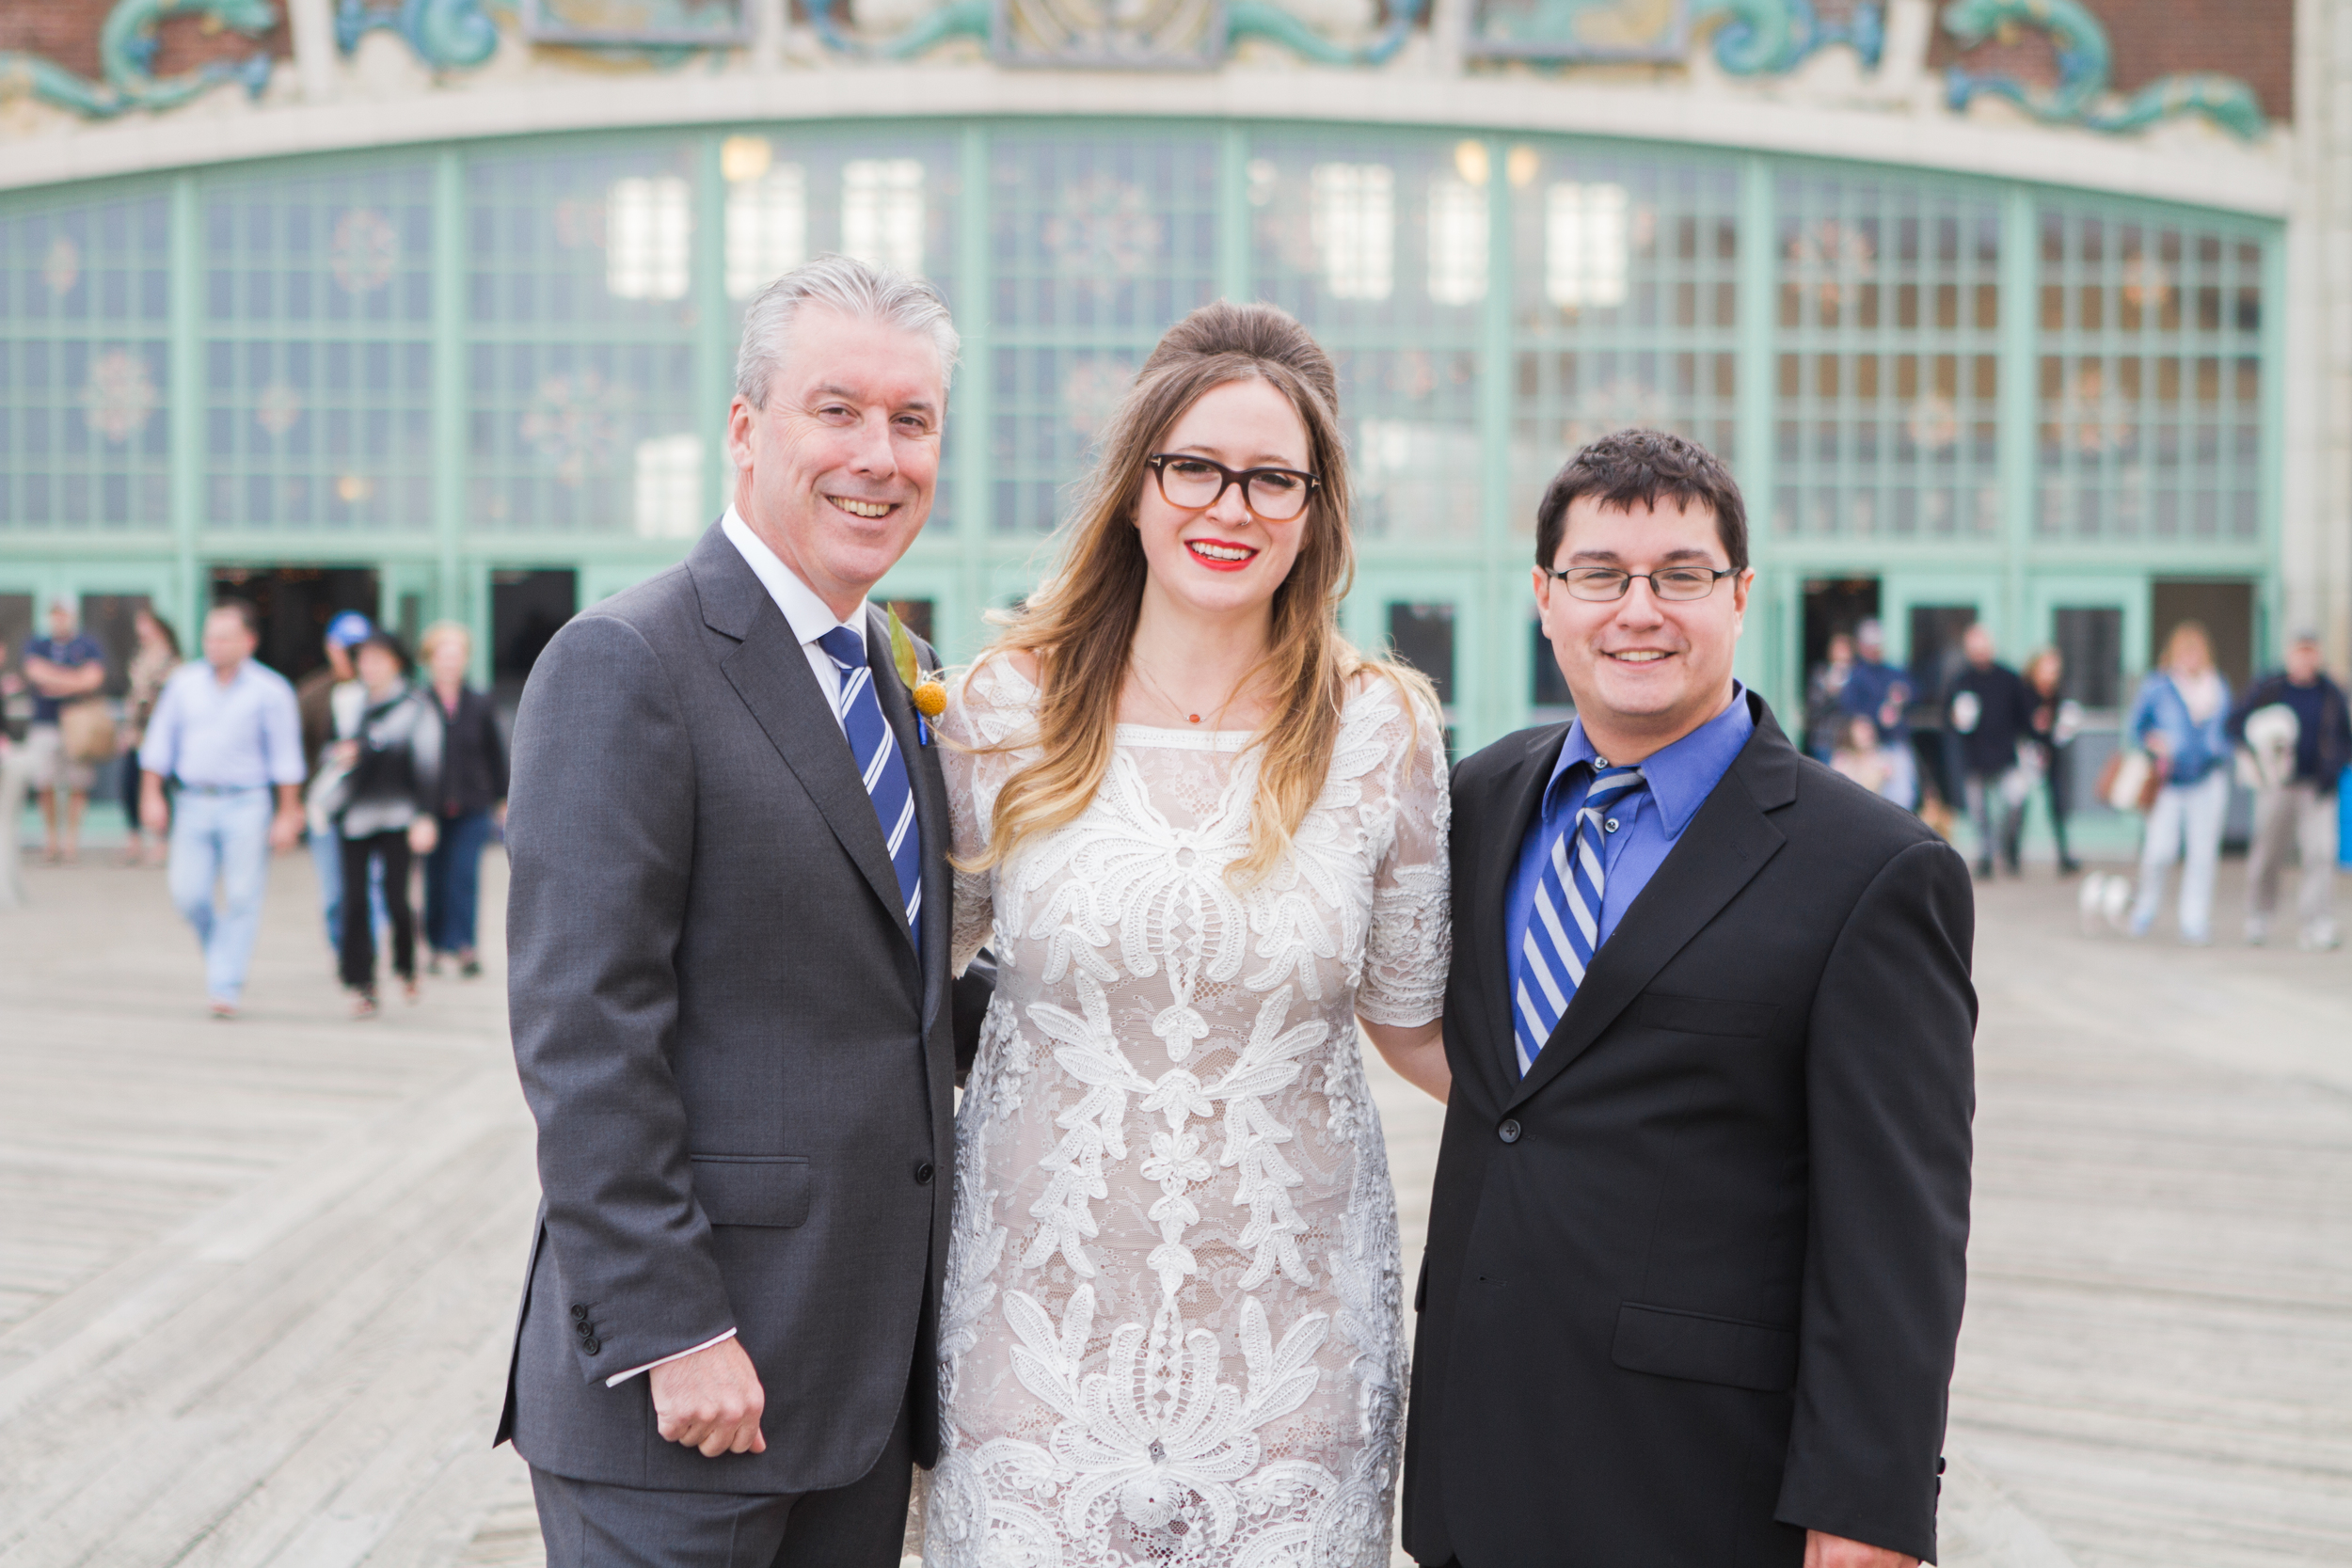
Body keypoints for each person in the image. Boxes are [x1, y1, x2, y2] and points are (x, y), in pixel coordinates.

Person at [927, 301, 1451, 1565]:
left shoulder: (1382, 730)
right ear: (1137, 486)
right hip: (1030, 1329)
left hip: (1293, 1342)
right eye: (1197, 467)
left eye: (1275, 477)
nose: (1234, 505)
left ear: (1317, 508)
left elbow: (1416, 1024)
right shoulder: (1004, 709)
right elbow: (890, 985)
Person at [1403, 429, 1975, 1568]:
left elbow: (1898, 1229)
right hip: (1477, 1462)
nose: (1638, 610)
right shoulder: (1474, 801)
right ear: (1544, 598)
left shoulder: (1869, 868)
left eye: (1680, 574)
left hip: (1700, 1486)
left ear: (1739, 594)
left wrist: (1866, 1503)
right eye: (1600, 574)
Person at [498, 255, 983, 1568]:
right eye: (838, 410)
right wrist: (672, 1326)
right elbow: (584, 1026)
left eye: (912, 420)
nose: (877, 457)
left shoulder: (908, 672)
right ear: (746, 428)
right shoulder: (628, 660)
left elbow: (894, 990)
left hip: (860, 1377)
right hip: (689, 1387)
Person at [137, 601, 306, 1019]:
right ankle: (222, 956)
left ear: (249, 641)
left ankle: (224, 984)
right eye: (209, 636)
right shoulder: (183, 684)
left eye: (224, 637)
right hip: (192, 801)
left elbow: (286, 758)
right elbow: (159, 744)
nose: (213, 645)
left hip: (246, 802)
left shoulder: (272, 691)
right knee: (188, 894)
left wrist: (288, 814)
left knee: (243, 895)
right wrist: (151, 794)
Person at [330, 632, 441, 1018]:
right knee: (354, 901)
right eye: (363, 659)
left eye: (379, 659)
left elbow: (429, 763)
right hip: (353, 814)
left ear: (396, 662)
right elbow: (327, 749)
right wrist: (339, 756)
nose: (370, 667)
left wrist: (426, 815)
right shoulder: (348, 702)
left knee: (397, 899)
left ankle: (407, 965)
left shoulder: (415, 706)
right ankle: (361, 983)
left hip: (398, 814)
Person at [2231, 630, 2348, 950]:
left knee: (2320, 854)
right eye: (2300, 651)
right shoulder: (2270, 688)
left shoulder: (2331, 692)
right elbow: (2236, 723)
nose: (2306, 658)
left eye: (2311, 651)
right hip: (2276, 786)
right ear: (2290, 653)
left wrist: (2333, 767)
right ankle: (2259, 914)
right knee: (2268, 852)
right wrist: (2258, 752)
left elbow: (2343, 737)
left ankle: (2316, 921)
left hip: (2317, 787)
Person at [2126, 620, 2233, 946]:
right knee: (2159, 851)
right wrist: (2153, 743)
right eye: (2183, 651)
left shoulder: (2218, 688)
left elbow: (2230, 732)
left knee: (2202, 855)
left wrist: (2220, 750)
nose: (2189, 658)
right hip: (2169, 781)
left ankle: (2194, 919)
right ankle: (2145, 907)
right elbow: (2136, 728)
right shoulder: (2158, 687)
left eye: (2194, 651)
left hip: (2208, 779)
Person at [418, 622, 507, 978]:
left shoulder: (480, 702)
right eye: (443, 653)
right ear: (430, 659)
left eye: (457, 654)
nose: (450, 661)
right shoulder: (418, 702)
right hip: (430, 808)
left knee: (464, 875)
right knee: (434, 878)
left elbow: (495, 754)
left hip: (472, 803)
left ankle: (465, 947)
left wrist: (502, 798)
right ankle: (438, 946)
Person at [300, 611, 380, 951]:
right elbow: (299, 754)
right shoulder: (312, 696)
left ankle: (367, 954)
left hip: (371, 805)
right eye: (347, 648)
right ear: (331, 649)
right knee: (334, 891)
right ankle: (344, 950)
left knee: (372, 886)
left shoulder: (382, 692)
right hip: (327, 808)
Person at [1946, 623, 2037, 878]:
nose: (1980, 653)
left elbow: (2024, 716)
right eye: (1974, 649)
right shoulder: (1962, 681)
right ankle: (1986, 856)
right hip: (1975, 758)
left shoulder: (2009, 678)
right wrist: (1955, 718)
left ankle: (2010, 849)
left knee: (2016, 803)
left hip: (2006, 756)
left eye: (1983, 647)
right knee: (1979, 814)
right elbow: (1950, 719)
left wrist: (2030, 741)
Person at [22, 598, 109, 863]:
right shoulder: (38, 643)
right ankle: (51, 840)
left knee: (77, 783)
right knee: (44, 782)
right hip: (45, 723)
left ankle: (71, 841)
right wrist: (75, 680)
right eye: (55, 615)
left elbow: (93, 679)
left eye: (64, 614)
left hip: (78, 724)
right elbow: (36, 673)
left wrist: (58, 683)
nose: (60, 620)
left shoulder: (88, 645)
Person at [118, 607, 182, 868]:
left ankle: (161, 842)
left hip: (161, 734)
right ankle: (134, 839)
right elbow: (134, 698)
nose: (141, 632)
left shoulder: (174, 663)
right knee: (129, 786)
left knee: (162, 788)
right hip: (137, 735)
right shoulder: (139, 660)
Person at [1841, 617, 1916, 811]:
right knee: (1870, 803)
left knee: (1903, 799)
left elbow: (1916, 691)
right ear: (1861, 646)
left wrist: (1903, 695)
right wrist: (1877, 713)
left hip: (1895, 744)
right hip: (1870, 750)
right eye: (1870, 645)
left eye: (1877, 644)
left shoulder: (1893, 672)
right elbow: (1849, 707)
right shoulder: (1856, 675)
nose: (1874, 649)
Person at [2023, 647, 2083, 875]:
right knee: (2020, 804)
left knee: (2057, 804)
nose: (2051, 674)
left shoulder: (2060, 694)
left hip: (2054, 755)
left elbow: (2066, 723)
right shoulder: (2025, 693)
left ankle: (2064, 854)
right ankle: (2011, 854)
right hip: (2028, 755)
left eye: (2054, 670)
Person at [1804, 630, 1856, 762]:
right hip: (1824, 738)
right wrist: (1830, 692)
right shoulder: (1820, 673)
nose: (1840, 653)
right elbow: (1814, 705)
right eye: (1837, 648)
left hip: (1850, 741)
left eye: (1844, 648)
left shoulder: (1857, 675)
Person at [1830, 712, 1890, 794]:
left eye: (1868, 729)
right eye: (1861, 730)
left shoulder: (1881, 757)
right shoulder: (1842, 758)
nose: (1866, 734)